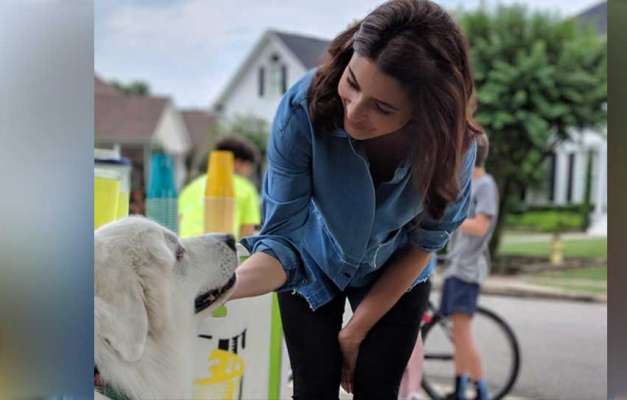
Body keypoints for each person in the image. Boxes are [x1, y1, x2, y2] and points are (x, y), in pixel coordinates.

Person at [226, 0, 483, 397]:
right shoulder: (301, 109)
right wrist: (218, 288)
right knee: (314, 389)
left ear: (425, 113)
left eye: (382, 107)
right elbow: (281, 240)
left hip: (396, 269)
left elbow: (424, 244)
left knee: (377, 388)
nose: (355, 113)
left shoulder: (454, 146)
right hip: (310, 259)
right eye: (353, 83)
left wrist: (355, 330)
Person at [440, 133, 497, 400]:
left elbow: (481, 225)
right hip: (457, 266)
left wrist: (451, 219)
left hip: (469, 268)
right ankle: (460, 387)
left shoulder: (484, 185)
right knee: (458, 333)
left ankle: (480, 389)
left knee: (462, 334)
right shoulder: (466, 184)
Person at [178, 136, 261, 239]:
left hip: (185, 247)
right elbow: (246, 234)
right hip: (219, 249)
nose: (249, 172)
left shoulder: (191, 186)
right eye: (249, 166)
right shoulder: (246, 188)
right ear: (237, 163)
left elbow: (179, 220)